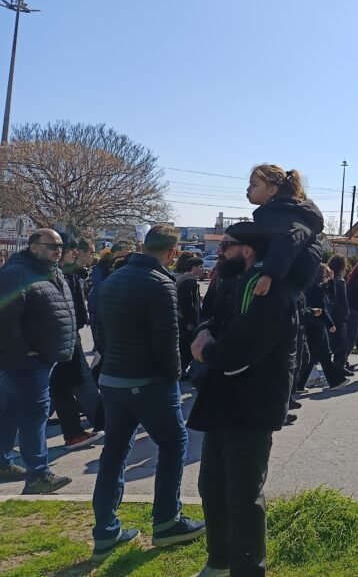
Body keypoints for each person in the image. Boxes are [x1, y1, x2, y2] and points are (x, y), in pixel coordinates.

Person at [188, 221, 297, 577]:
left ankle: (248, 569)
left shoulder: (272, 291)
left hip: (253, 406)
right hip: (220, 401)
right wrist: (204, 332)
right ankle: (218, 562)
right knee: (212, 487)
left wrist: (207, 352)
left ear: (247, 250)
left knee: (243, 495)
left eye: (225, 246)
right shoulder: (230, 281)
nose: (218, 253)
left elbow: (243, 349)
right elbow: (210, 318)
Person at [91, 225, 205, 561]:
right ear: (172, 252)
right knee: (173, 443)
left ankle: (105, 530)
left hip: (112, 378)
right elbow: (167, 341)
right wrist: (174, 376)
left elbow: (99, 332)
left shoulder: (112, 279)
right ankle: (168, 521)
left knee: (114, 452)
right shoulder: (160, 283)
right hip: (149, 381)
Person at [0, 229, 76, 494]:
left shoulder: (49, 270)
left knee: (9, 409)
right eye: (52, 245)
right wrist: (24, 350)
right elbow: (5, 319)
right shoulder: (16, 273)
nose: (58, 250)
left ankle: (2, 463)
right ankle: (38, 475)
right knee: (35, 414)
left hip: (42, 357)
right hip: (26, 360)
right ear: (33, 246)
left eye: (60, 246)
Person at [50, 237, 104, 450]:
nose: (92, 256)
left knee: (61, 387)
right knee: (78, 382)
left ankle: (75, 433)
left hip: (67, 336)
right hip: (65, 338)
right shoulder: (60, 275)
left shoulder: (68, 274)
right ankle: (99, 424)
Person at [245, 165, 325, 301]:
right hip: (286, 285)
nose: (248, 189)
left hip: (281, 288)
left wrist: (269, 275)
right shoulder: (282, 212)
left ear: (272, 190)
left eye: (254, 185)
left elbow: (289, 238)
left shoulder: (282, 214)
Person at [296, 263, 348, 391]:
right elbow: (322, 308)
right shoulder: (318, 288)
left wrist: (331, 281)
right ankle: (335, 380)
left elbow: (331, 295)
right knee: (319, 355)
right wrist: (330, 324)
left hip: (313, 323)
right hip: (317, 324)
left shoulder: (313, 286)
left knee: (319, 355)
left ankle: (300, 384)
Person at [174, 253, 204, 381]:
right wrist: (191, 321)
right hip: (186, 322)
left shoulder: (184, 278)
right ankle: (181, 373)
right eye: (200, 267)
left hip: (183, 320)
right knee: (185, 348)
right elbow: (187, 304)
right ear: (194, 267)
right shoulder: (188, 281)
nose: (202, 270)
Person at [326, 255, 354, 375]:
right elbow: (343, 301)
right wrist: (346, 315)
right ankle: (338, 368)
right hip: (339, 317)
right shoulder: (340, 281)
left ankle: (335, 367)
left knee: (332, 344)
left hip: (330, 315)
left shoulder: (328, 279)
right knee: (342, 345)